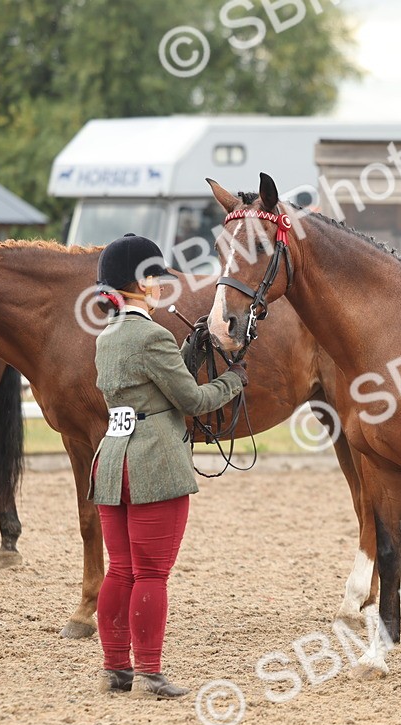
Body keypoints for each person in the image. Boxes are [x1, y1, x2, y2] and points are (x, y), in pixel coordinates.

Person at [89, 233, 247, 698]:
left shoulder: (108, 337)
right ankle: (150, 673)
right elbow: (193, 400)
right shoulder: (153, 335)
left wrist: (191, 353)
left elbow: (150, 387)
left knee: (120, 569)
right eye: (156, 280)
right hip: (153, 460)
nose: (162, 287)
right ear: (141, 285)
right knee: (152, 573)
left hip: (113, 458)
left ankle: (115, 667)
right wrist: (233, 381)